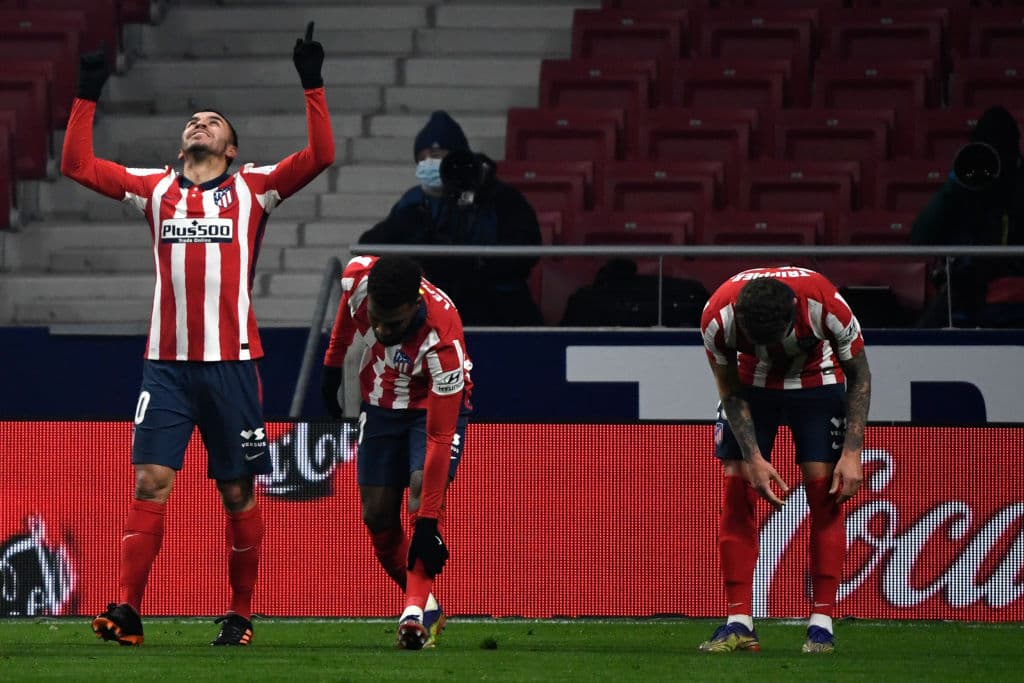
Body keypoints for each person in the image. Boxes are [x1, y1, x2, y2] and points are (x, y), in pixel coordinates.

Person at [60, 23, 334, 646]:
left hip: (232, 366)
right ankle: (127, 610)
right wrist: (85, 94)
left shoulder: (255, 190)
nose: (200, 124)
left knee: (236, 490)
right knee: (150, 481)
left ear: (233, 150)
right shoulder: (155, 189)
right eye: (194, 120)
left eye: (213, 122)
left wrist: (312, 84)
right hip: (167, 367)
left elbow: (320, 157)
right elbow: (75, 164)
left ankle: (240, 613)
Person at [698, 267, 871, 654]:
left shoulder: (826, 306)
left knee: (826, 495)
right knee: (738, 487)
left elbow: (859, 375)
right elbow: (728, 388)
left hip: (816, 383)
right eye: (753, 342)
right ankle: (738, 622)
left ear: (793, 314)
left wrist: (852, 452)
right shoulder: (716, 318)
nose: (766, 351)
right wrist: (753, 457)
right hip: (749, 388)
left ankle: (821, 624)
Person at [320, 254, 473, 650]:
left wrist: (426, 524)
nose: (382, 329)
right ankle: (429, 608)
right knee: (377, 517)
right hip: (380, 403)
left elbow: (439, 438)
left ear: (415, 304)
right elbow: (343, 324)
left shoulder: (443, 342)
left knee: (421, 490)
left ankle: (411, 612)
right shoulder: (356, 281)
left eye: (394, 323)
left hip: (430, 409)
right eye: (376, 319)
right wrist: (331, 366)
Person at [358, 110, 544, 326]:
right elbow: (370, 246)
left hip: (496, 309)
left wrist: (475, 267)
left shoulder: (499, 196)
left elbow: (525, 249)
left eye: (437, 156)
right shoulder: (414, 202)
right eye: (423, 158)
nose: (429, 164)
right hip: (432, 311)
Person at [912, 104, 1024, 328]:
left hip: (1015, 289)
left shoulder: (1020, 187)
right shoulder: (965, 189)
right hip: (967, 288)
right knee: (922, 333)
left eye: (1000, 150)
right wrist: (953, 186)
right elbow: (920, 239)